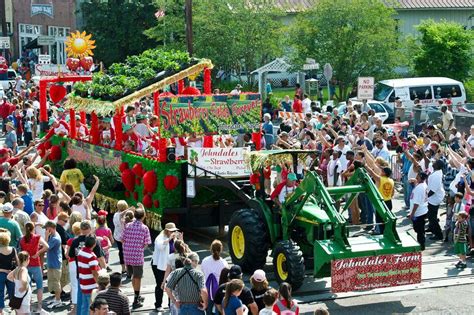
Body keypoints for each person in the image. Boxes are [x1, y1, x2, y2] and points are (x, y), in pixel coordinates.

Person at [122, 207, 151, 309]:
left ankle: (136, 294)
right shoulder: (144, 228)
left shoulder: (128, 225)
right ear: (143, 216)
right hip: (137, 255)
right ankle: (136, 299)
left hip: (127, 255)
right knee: (137, 277)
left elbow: (123, 239)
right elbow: (146, 244)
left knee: (133, 277)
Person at [152, 222, 181, 312]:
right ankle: (158, 304)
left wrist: (180, 239)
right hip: (159, 265)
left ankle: (170, 304)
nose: (173, 232)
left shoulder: (174, 239)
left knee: (171, 285)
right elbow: (160, 247)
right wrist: (169, 239)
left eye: (174, 231)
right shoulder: (160, 237)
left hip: (170, 265)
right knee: (160, 284)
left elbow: (179, 249)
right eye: (171, 231)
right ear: (167, 231)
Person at [19, 222, 48, 313]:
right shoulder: (37, 237)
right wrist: (38, 253)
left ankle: (29, 307)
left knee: (28, 286)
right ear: (33, 228)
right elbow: (47, 246)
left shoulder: (22, 239)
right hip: (36, 264)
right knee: (40, 286)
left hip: (26, 265)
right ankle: (39, 307)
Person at [201, 239, 229, 314]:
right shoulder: (224, 263)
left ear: (211, 249)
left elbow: (203, 272)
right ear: (221, 250)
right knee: (218, 310)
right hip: (219, 291)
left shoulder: (204, 260)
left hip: (207, 290)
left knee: (208, 311)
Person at [77, 235, 101, 315]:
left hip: (83, 283)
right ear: (94, 244)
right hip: (91, 285)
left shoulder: (81, 251)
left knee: (85, 306)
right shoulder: (91, 256)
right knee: (91, 308)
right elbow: (94, 273)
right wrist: (99, 284)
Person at [44, 220, 63, 309]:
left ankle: (58, 300)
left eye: (47, 229)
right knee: (52, 281)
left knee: (56, 283)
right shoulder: (53, 235)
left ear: (51, 228)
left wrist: (46, 237)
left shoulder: (55, 238)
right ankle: (56, 298)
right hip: (52, 262)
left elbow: (45, 247)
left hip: (55, 263)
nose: (46, 231)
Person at [408, 172, 429, 251]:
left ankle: (421, 245)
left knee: (419, 230)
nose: (416, 177)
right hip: (421, 211)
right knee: (418, 229)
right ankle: (421, 243)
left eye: (417, 176)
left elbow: (416, 203)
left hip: (418, 212)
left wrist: (412, 214)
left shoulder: (420, 188)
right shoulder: (422, 185)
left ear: (420, 177)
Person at [0, 229, 19, 314]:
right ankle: (15, 310)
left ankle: (1, 311)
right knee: (13, 293)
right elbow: (18, 264)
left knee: (0, 293)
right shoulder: (13, 249)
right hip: (11, 274)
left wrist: (4, 270)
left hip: (1, 274)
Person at [426, 160, 445, 241]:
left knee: (432, 216)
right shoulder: (436, 172)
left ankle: (438, 234)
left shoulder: (437, 175)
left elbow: (433, 190)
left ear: (437, 166)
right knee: (430, 215)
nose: (433, 163)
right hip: (433, 198)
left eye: (435, 163)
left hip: (435, 198)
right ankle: (431, 228)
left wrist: (425, 197)